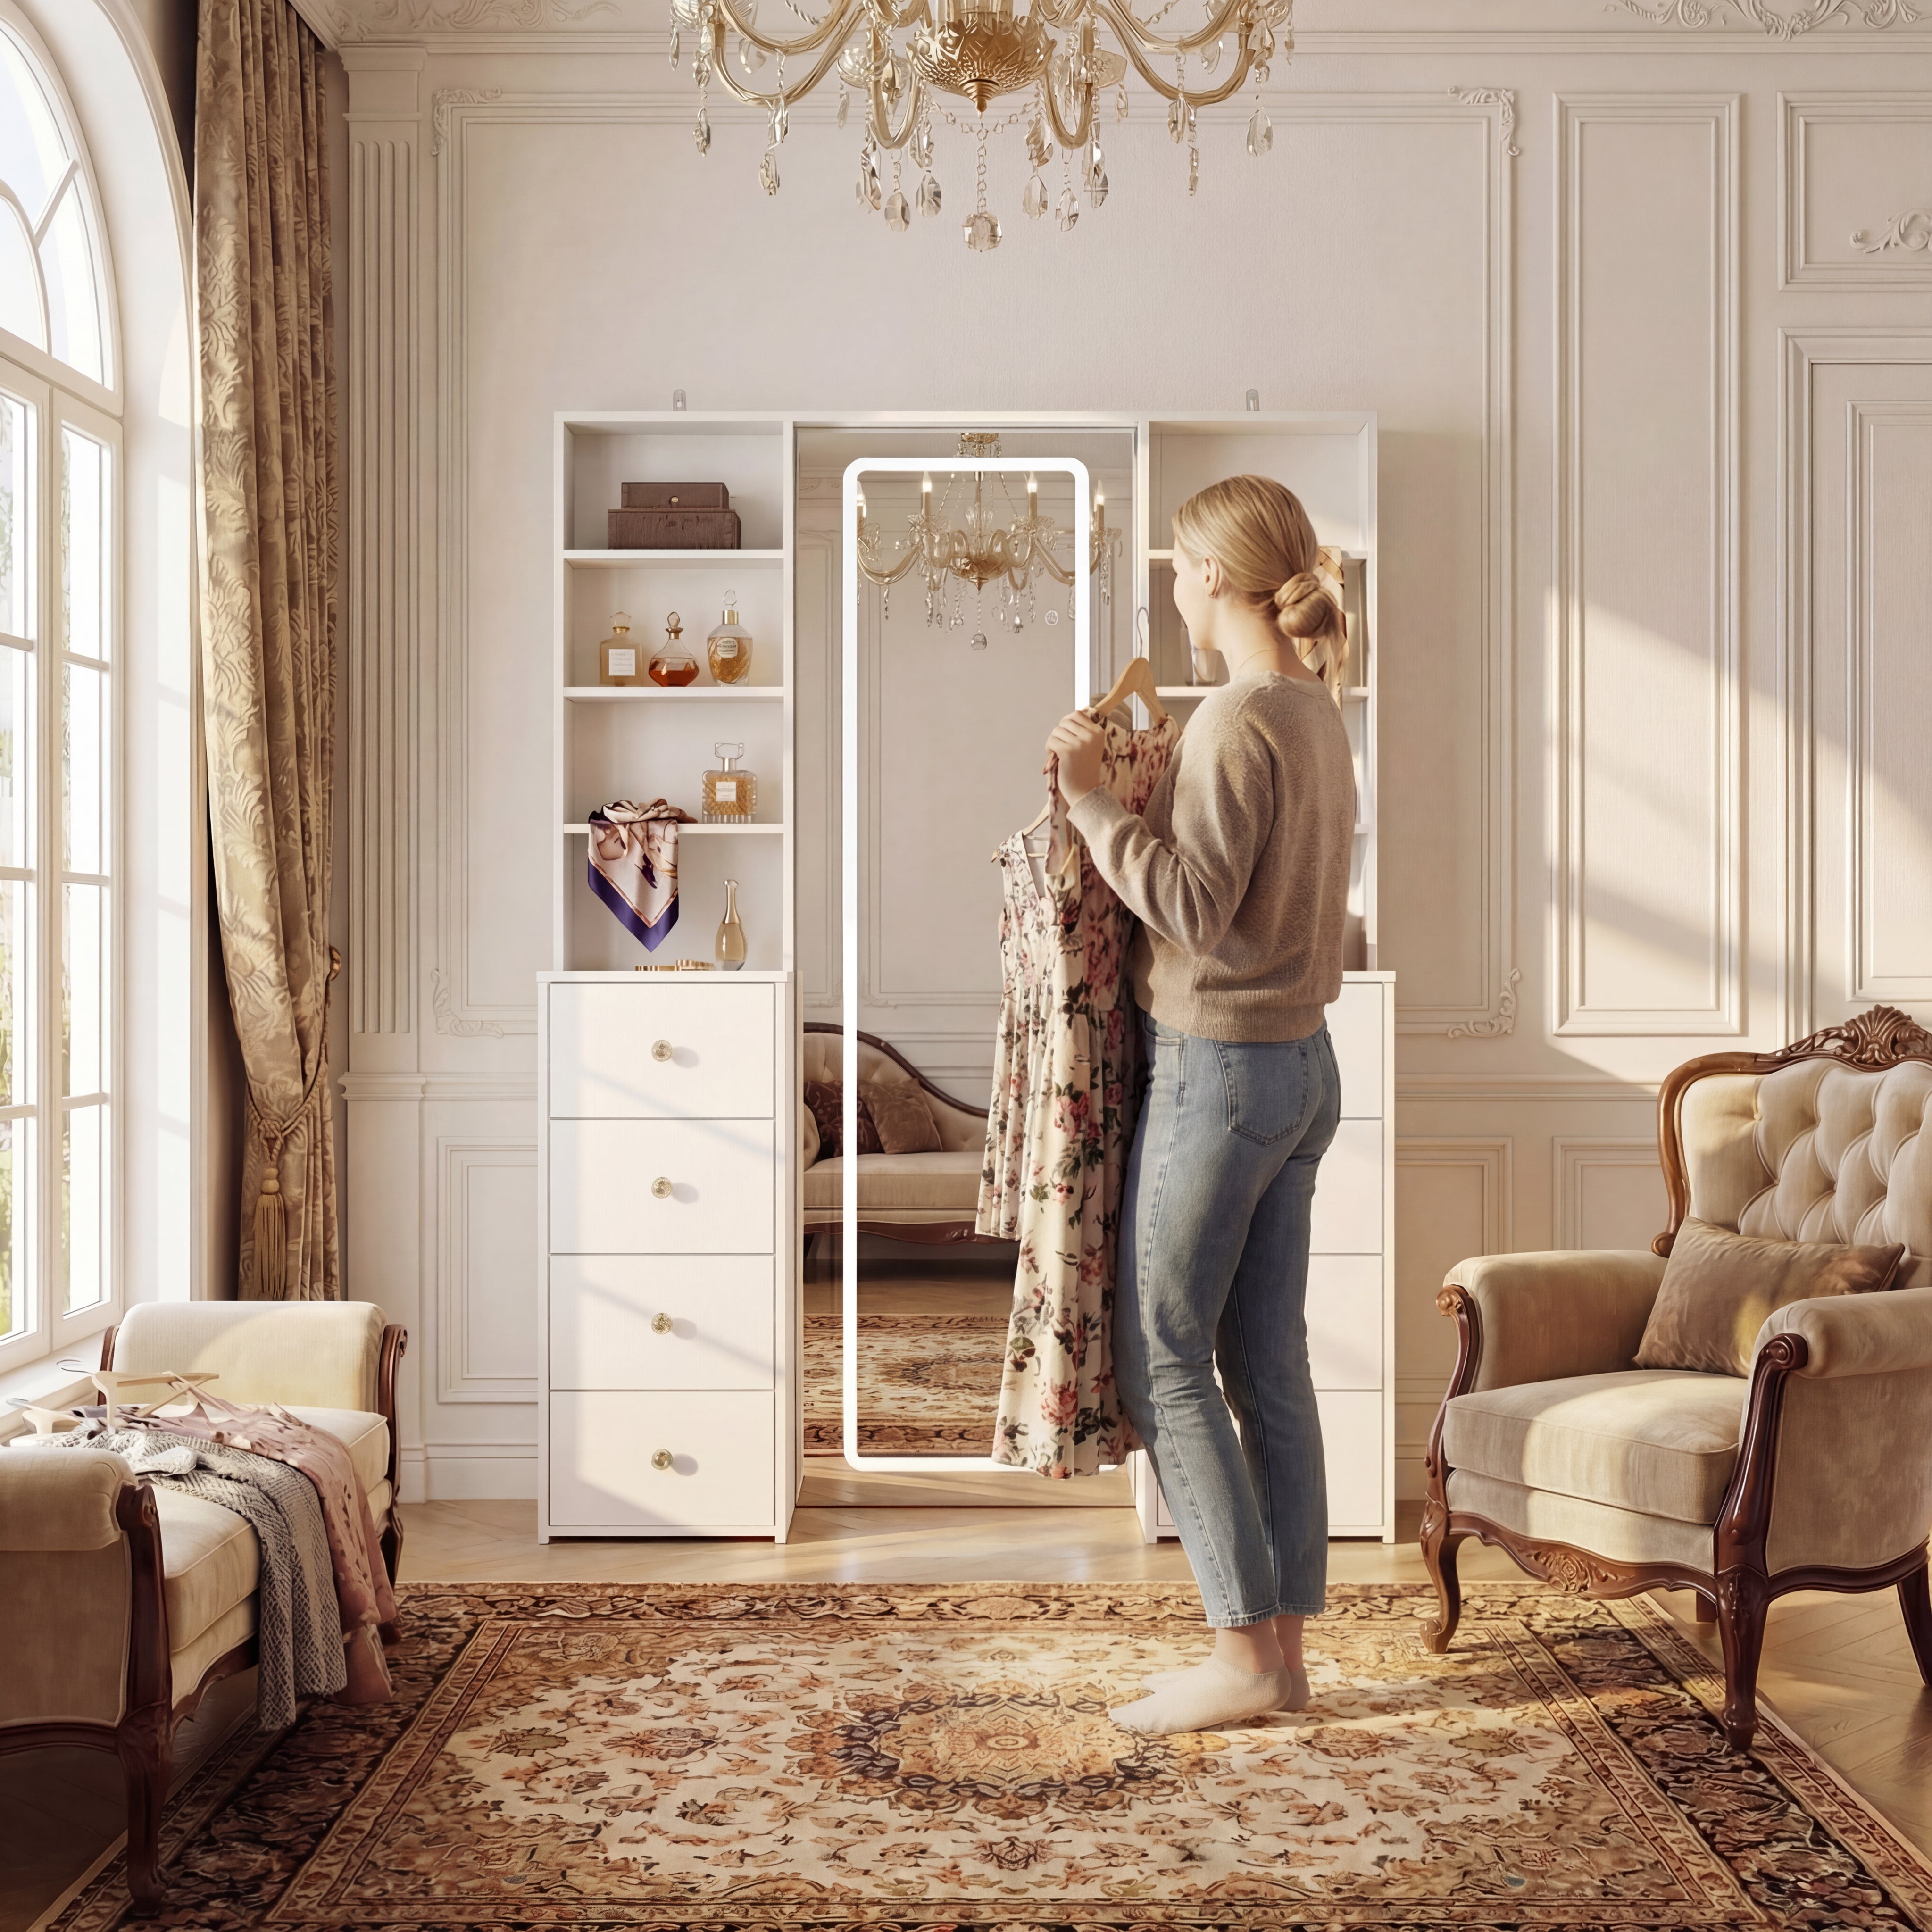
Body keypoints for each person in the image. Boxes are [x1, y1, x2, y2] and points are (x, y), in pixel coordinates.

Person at [1046, 474, 1356, 1737]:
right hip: (1302, 1067)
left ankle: (1237, 1656)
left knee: (1170, 1356)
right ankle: (1280, 1660)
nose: (1171, 591)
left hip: (1223, 1073)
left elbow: (1189, 908)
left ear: (1216, 580)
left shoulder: (1238, 717)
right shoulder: (1314, 712)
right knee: (1267, 1361)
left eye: (1177, 569)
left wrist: (1088, 803)